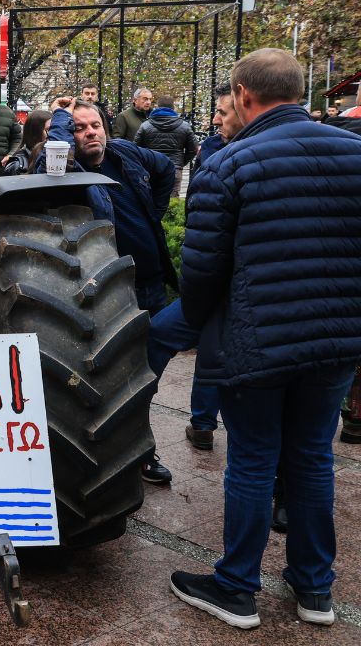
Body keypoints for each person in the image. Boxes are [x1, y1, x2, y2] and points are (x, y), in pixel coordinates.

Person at [169, 48, 361, 630]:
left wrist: (192, 327)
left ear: (244, 95)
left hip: (257, 342)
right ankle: (315, 590)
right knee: (311, 456)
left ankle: (235, 589)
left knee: (252, 461)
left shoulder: (228, 165)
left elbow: (201, 270)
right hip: (336, 342)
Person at [37, 98, 179, 483]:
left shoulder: (126, 154)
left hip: (149, 286)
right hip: (110, 293)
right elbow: (45, 169)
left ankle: (140, 450)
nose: (90, 133)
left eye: (94, 125)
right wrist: (62, 117)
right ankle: (125, 455)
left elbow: (166, 169)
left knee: (145, 377)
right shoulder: (70, 172)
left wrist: (156, 209)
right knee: (117, 380)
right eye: (79, 128)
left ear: (106, 126)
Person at [146, 83, 242, 453]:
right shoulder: (216, 147)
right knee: (179, 338)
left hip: (230, 284)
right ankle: (151, 415)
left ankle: (202, 423)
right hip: (215, 282)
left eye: (223, 112)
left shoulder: (237, 159)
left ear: (246, 104)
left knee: (209, 348)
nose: (215, 119)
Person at [133, 95, 197, 197]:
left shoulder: (145, 126)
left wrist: (146, 162)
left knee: (151, 200)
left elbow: (136, 149)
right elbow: (193, 149)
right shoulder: (184, 126)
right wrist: (180, 163)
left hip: (151, 169)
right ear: (173, 107)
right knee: (171, 203)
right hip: (174, 169)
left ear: (157, 107)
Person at [3, 107, 52, 175]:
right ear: (35, 132)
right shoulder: (18, 165)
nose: (54, 133)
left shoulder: (54, 156)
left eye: (55, 128)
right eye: (49, 129)